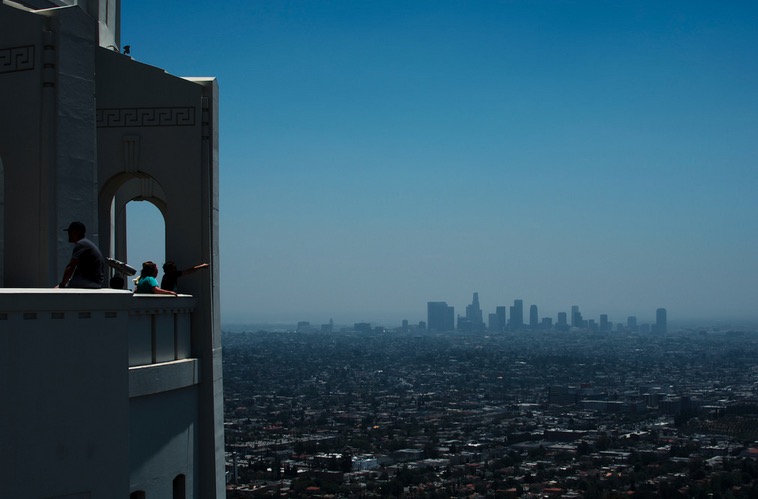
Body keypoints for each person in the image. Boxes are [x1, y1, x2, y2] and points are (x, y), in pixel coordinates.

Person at [58, 221, 105, 289]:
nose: (68, 234)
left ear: (75, 232)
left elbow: (71, 266)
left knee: (60, 289)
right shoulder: (86, 243)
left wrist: (62, 285)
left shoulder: (81, 244)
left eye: (70, 232)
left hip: (89, 281)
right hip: (95, 282)